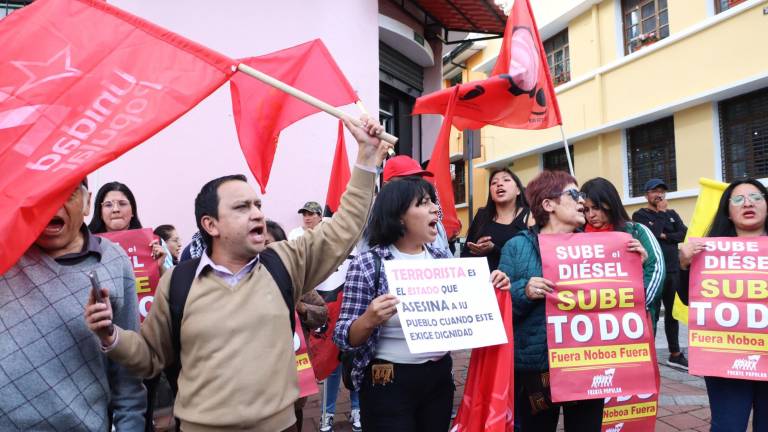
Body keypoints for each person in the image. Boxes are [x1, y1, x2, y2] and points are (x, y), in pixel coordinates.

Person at [84, 115, 390, 431]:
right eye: (242, 207)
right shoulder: (179, 283)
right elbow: (150, 355)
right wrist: (111, 336)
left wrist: (366, 158)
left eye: (257, 205)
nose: (257, 214)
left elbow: (344, 228)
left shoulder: (284, 262)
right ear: (210, 224)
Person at [334, 177, 510, 432]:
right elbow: (342, 335)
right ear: (399, 216)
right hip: (387, 381)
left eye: (433, 202)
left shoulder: (443, 260)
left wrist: (493, 286)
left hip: (438, 379)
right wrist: (368, 319)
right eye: (423, 203)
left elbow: (468, 309)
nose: (435, 209)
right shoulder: (368, 264)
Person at [499, 170, 644, 432]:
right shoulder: (516, 247)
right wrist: (523, 291)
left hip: (586, 363)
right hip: (537, 368)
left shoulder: (600, 246)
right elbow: (501, 307)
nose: (582, 201)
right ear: (548, 204)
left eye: (582, 194)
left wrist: (633, 267)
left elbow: (619, 300)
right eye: (574, 194)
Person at [0, 178, 146, 430]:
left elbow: (128, 371)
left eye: (65, 195)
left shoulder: (114, 260)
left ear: (87, 203)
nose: (52, 207)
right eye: (41, 197)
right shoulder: (5, 253)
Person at [677, 178, 768, 432]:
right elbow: (687, 299)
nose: (748, 203)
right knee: (728, 426)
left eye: (756, 197)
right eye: (738, 199)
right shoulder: (706, 251)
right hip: (726, 358)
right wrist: (684, 265)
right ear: (727, 211)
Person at [265, 220, 330, 432]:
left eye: (269, 244)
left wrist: (301, 307)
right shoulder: (244, 283)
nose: (263, 251)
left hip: (294, 369)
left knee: (294, 414)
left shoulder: (296, 281)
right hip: (262, 376)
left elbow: (322, 314)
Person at [581, 177, 665, 329]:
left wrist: (634, 305)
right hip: (590, 326)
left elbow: (656, 271)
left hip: (632, 325)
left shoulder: (637, 232)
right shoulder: (577, 238)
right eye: (586, 210)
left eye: (596, 207)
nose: (591, 215)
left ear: (610, 204)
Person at [632, 178, 689, 370]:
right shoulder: (640, 215)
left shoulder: (672, 213)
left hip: (673, 270)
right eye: (655, 191)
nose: (659, 195)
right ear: (646, 195)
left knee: (672, 314)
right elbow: (652, 234)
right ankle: (648, 353)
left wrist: (666, 235)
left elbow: (684, 233)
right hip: (654, 271)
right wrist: (662, 218)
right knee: (653, 314)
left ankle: (675, 354)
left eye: (662, 191)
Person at [89, 181, 171, 273]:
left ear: (133, 211)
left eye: (122, 204)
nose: (116, 209)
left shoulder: (155, 243)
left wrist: (159, 267)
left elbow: (171, 281)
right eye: (108, 205)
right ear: (100, 212)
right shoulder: (86, 244)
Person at [462, 167, 532, 270]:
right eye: (494, 183)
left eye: (506, 180)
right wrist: (476, 249)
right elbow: (465, 256)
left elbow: (531, 260)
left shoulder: (530, 216)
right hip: (484, 278)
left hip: (515, 279)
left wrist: (493, 249)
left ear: (518, 190)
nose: (499, 184)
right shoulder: (482, 215)